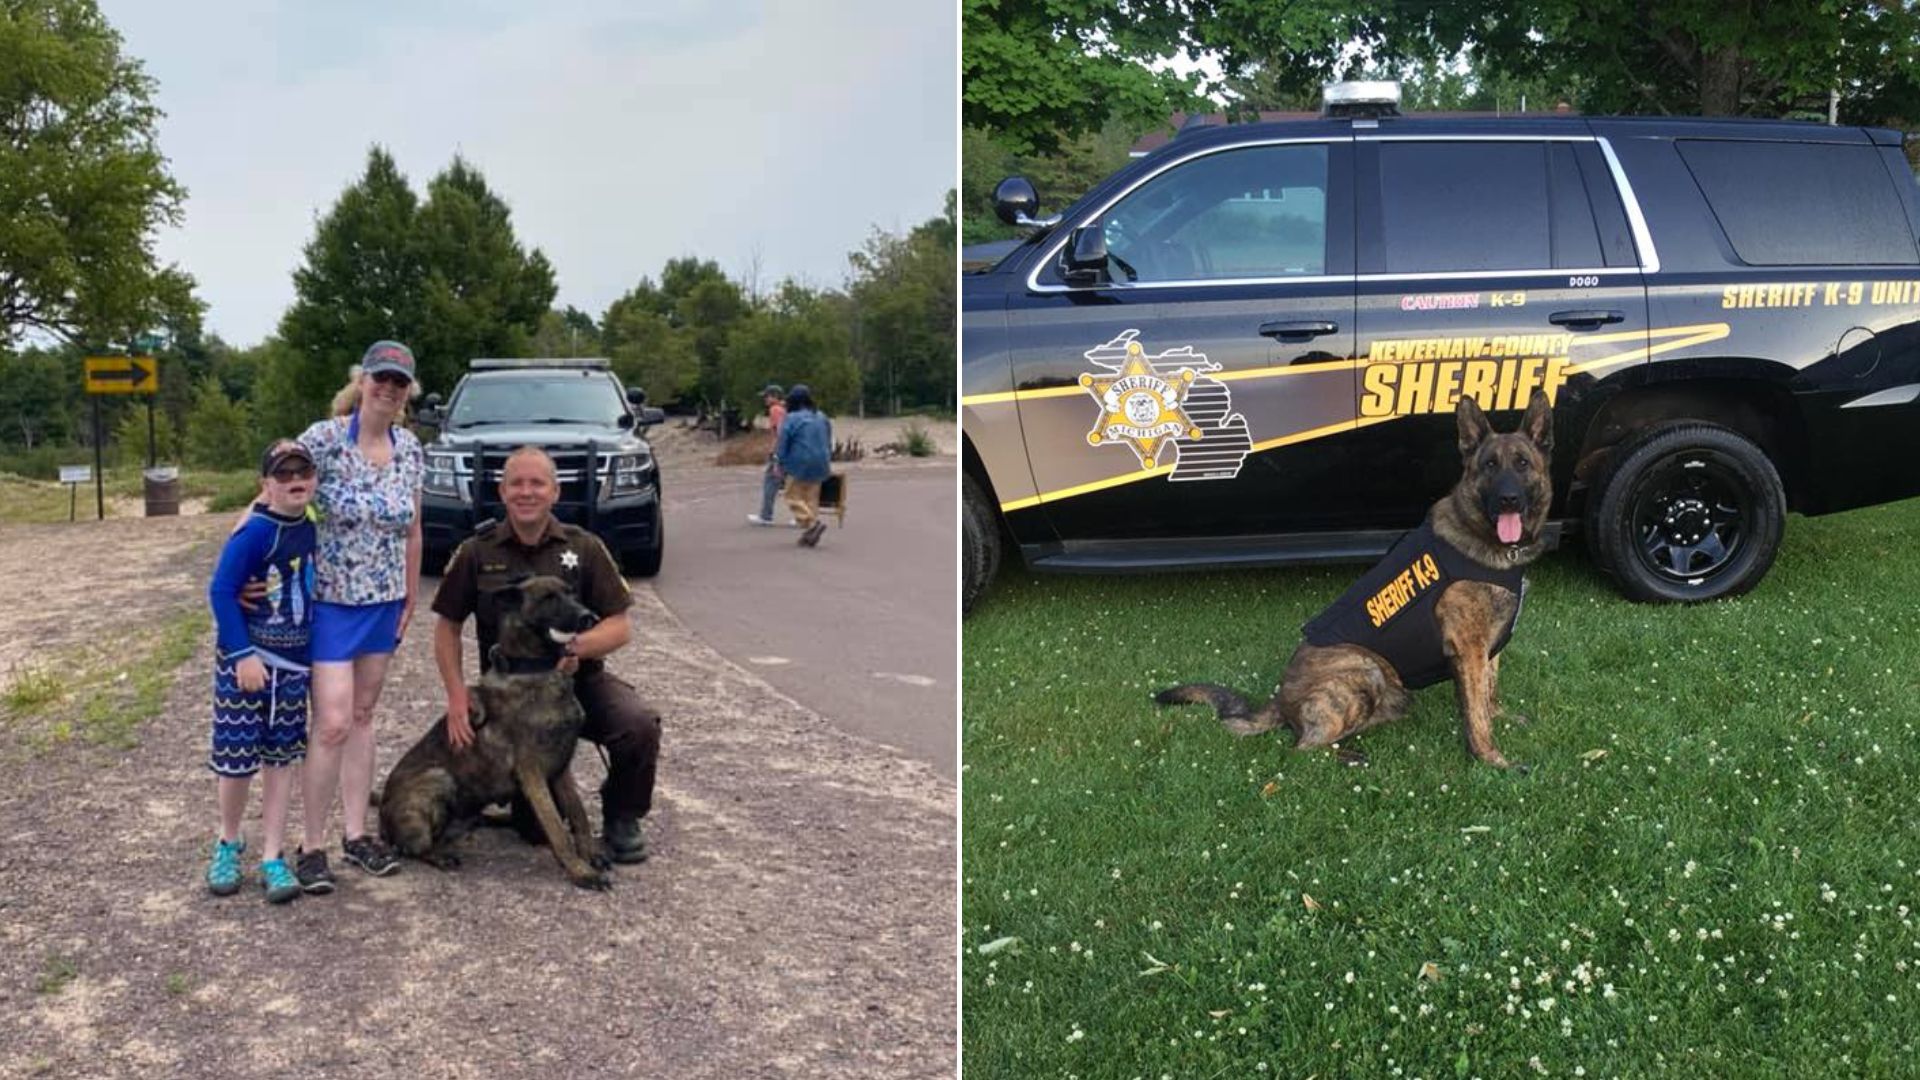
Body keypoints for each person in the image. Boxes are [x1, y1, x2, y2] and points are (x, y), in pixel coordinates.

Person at [431, 446, 662, 864]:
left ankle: (623, 816)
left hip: (576, 683)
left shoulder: (584, 547)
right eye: (516, 483)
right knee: (533, 831)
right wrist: (456, 696)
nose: (526, 492)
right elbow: (447, 626)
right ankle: (516, 808)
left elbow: (620, 625)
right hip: (511, 697)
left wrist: (577, 647)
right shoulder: (477, 552)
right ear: (501, 492)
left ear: (555, 491)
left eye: (537, 483)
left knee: (637, 723)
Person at [291, 340, 425, 892]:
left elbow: (414, 528)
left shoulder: (411, 449)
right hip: (331, 601)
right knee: (333, 722)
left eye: (399, 383)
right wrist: (246, 553)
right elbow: (278, 487)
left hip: (383, 604)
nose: (388, 390)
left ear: (407, 392)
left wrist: (411, 594)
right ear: (363, 380)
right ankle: (310, 843)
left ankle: (355, 834)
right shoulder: (324, 439)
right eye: (381, 379)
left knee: (365, 716)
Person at [204, 440, 318, 904]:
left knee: (281, 759)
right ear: (265, 485)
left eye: (303, 473)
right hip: (248, 664)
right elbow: (221, 591)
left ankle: (273, 853)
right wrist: (242, 655)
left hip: (293, 666)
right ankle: (228, 840)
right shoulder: (254, 531)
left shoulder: (312, 520)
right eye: (284, 474)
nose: (295, 481)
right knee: (236, 761)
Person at [775, 383, 833, 548]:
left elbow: (783, 441)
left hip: (800, 461)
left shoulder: (792, 418)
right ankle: (809, 534)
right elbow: (829, 438)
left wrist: (778, 462)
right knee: (811, 499)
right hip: (821, 461)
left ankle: (812, 524)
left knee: (792, 496)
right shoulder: (822, 416)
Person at [747, 383, 788, 527]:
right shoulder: (784, 408)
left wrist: (775, 452)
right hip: (787, 451)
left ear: (775, 397)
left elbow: (779, 432)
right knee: (790, 484)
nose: (765, 399)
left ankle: (766, 516)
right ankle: (800, 514)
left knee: (770, 482)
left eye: (767, 396)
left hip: (780, 451)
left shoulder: (775, 410)